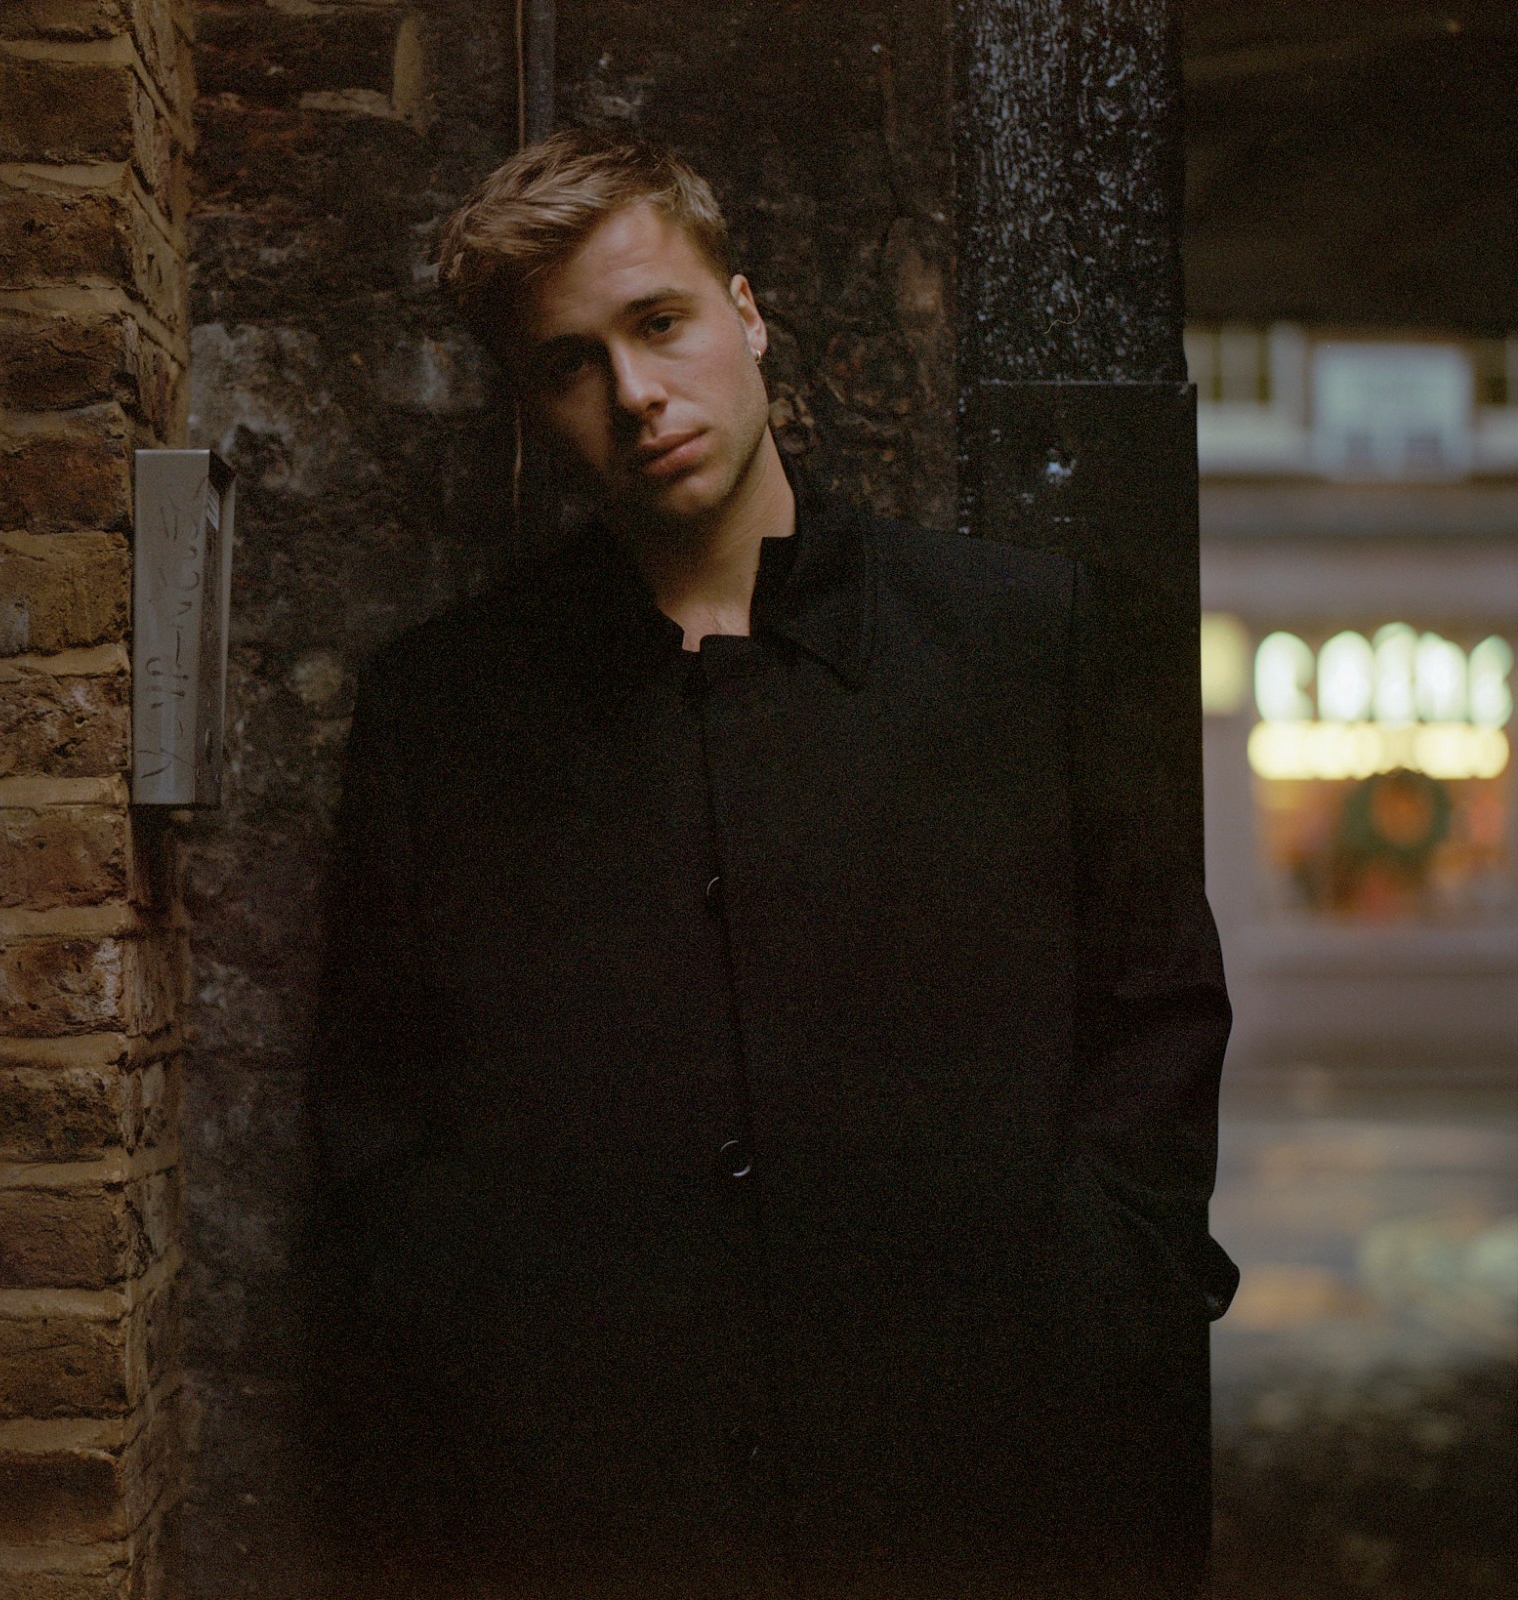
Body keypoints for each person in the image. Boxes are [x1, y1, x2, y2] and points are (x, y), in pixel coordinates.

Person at [304, 127, 1238, 1600]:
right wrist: (489, 1386)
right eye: (567, 364)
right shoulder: (449, 709)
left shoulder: (1028, 643)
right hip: (605, 1517)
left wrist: (1099, 1287)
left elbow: (1161, 1014)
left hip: (986, 1484)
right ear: (532, 406)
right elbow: (381, 1117)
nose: (632, 394)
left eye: (658, 322)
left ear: (747, 313)